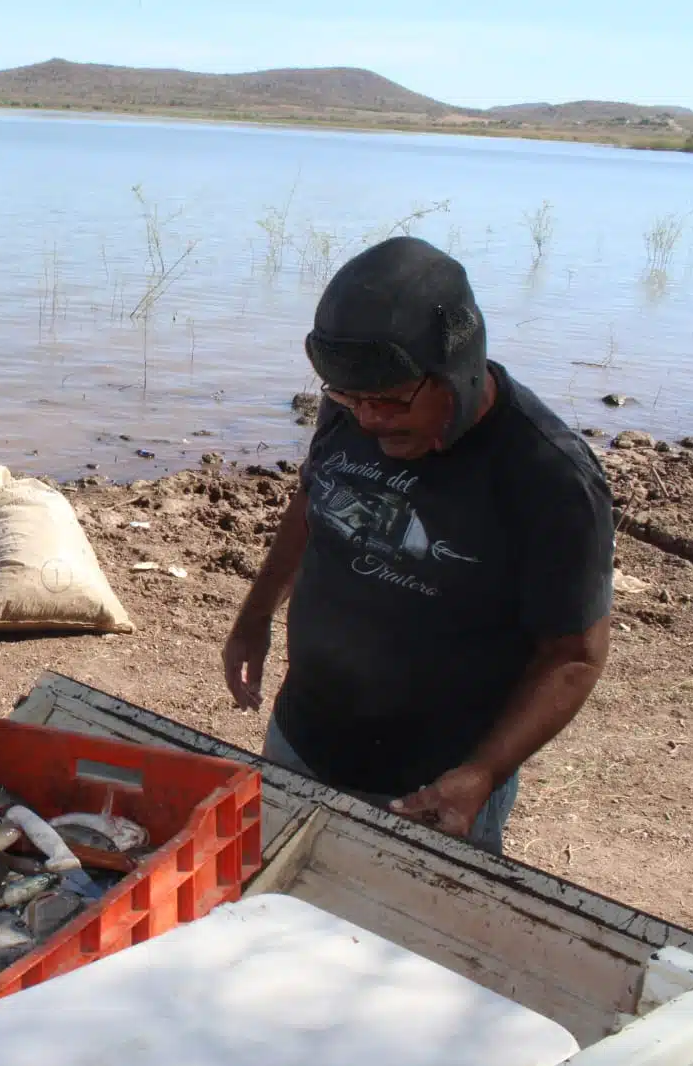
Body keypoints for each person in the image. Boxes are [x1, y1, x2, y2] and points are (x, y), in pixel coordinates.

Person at [222, 236, 615, 855]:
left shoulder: (548, 475)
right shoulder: (354, 401)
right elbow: (313, 500)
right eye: (346, 397)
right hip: (302, 738)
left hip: (432, 788)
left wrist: (480, 776)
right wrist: (254, 616)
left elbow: (574, 654)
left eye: (391, 401)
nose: (370, 420)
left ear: (455, 371)